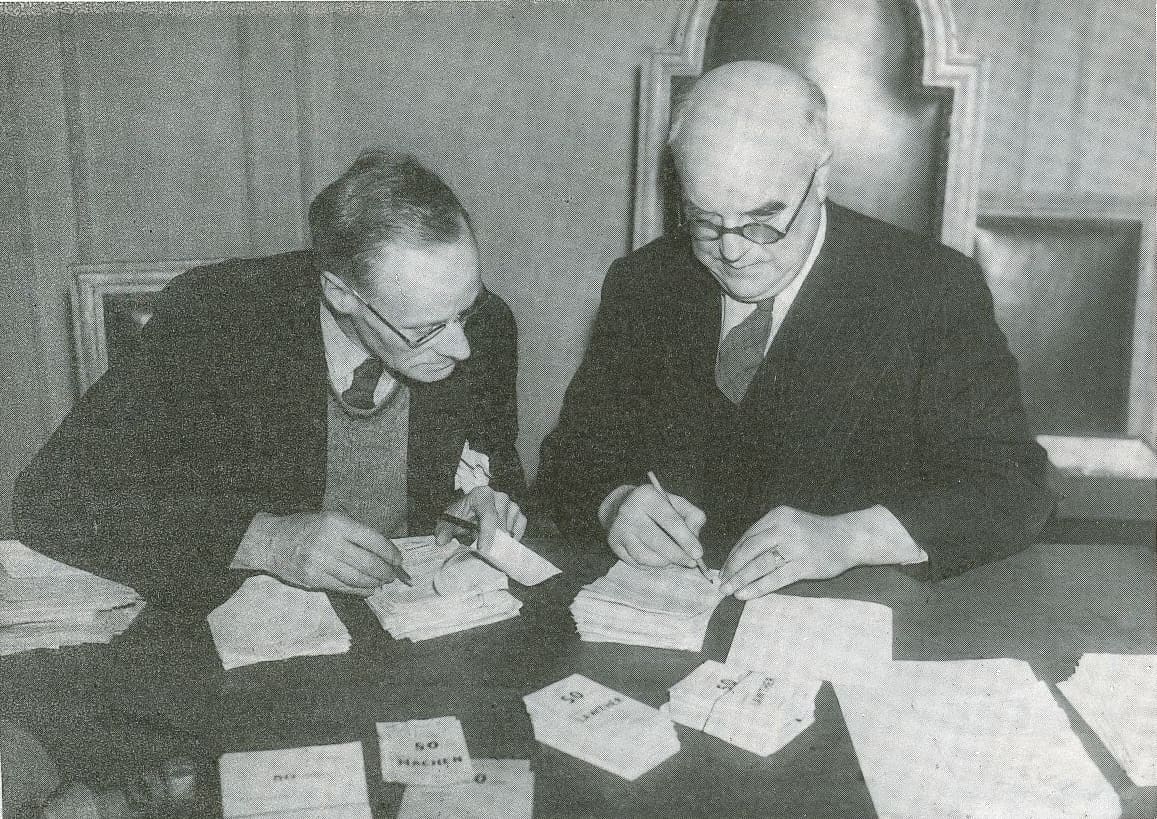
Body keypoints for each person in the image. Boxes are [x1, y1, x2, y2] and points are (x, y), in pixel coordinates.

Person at [540, 62, 1054, 599]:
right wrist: (615, 502)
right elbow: (569, 458)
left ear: (821, 175)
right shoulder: (645, 283)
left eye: (764, 221)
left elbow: (1012, 487)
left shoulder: (929, 292)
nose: (733, 251)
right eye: (706, 222)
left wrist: (851, 537)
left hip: (849, 621)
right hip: (667, 624)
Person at [14, 151, 525, 609]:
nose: (461, 347)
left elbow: (490, 466)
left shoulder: (487, 325)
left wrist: (474, 508)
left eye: (468, 305)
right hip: (246, 634)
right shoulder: (217, 318)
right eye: (426, 330)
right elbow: (53, 498)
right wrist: (262, 540)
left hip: (413, 623)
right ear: (341, 294)